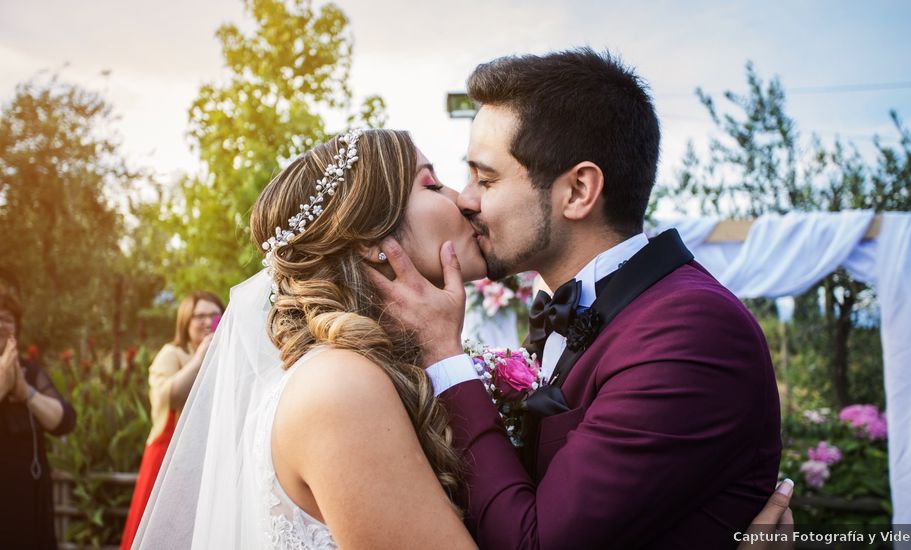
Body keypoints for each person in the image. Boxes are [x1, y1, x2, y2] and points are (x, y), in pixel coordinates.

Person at [136, 128, 792, 549]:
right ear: (371, 240)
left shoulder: (370, 374)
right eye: (433, 183)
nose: (465, 200)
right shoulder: (340, 387)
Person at [368, 48, 783, 548]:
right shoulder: (582, 308)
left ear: (579, 191)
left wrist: (445, 357)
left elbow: (538, 542)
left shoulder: (691, 330)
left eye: (488, 178)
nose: (465, 198)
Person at [120, 291, 224, 550]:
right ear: (185, 322)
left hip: (208, 458)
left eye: (213, 315)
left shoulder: (227, 355)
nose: (206, 321)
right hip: (169, 457)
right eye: (198, 316)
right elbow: (168, 395)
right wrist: (200, 358)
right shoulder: (172, 353)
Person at [0, 284, 76, 549]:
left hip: (27, 496)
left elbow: (64, 421)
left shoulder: (29, 371)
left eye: (6, 319)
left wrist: (26, 393)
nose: (0, 325)